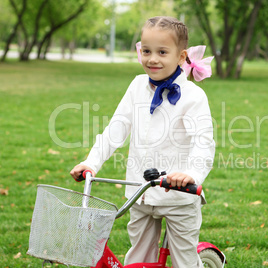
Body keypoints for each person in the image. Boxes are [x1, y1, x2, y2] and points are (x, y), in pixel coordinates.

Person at [70, 16, 215, 268]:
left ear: (181, 57)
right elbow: (116, 128)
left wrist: (191, 174)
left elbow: (203, 142)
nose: (152, 59)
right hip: (140, 194)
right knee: (138, 259)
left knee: (184, 261)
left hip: (178, 196)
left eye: (162, 52)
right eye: (146, 51)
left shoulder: (193, 97)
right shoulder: (137, 86)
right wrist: (91, 162)